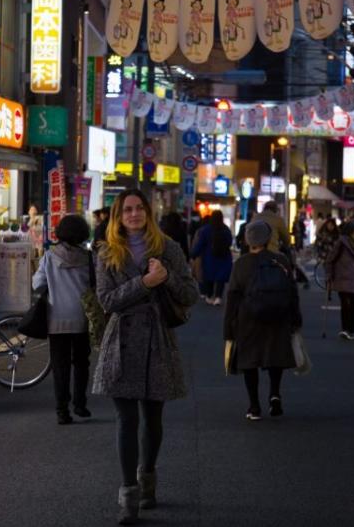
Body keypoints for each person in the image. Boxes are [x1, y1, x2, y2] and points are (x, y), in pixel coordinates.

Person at [93, 189, 198, 524]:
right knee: (126, 420)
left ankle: (147, 478)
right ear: (118, 216)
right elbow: (107, 300)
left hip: (157, 340)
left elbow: (190, 293)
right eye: (127, 210)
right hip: (121, 341)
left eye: (139, 209)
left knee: (153, 420)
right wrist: (145, 282)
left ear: (148, 213)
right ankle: (129, 496)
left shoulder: (168, 248)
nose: (134, 215)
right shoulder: (107, 252)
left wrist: (165, 279)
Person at [224, 221, 302, 421]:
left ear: (248, 240)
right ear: (268, 239)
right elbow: (292, 292)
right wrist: (295, 317)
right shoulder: (282, 260)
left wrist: (228, 328)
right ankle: (275, 394)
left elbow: (232, 296)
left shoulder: (241, 264)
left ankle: (254, 406)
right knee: (275, 356)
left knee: (250, 361)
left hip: (249, 319)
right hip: (279, 316)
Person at [32, 214, 93, 424]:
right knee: (81, 362)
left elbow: (37, 285)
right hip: (82, 318)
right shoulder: (89, 258)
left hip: (56, 318)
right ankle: (80, 404)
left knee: (60, 366)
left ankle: (62, 411)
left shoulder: (49, 256)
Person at [190, 211, 233, 305]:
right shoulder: (226, 229)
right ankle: (218, 297)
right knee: (220, 279)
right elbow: (229, 242)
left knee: (209, 277)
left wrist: (193, 254)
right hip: (223, 257)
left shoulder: (205, 230)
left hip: (209, 258)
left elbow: (200, 244)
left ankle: (209, 296)